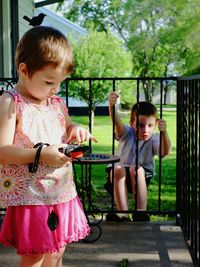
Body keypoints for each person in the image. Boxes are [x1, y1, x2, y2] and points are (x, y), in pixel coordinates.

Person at [0, 26, 97, 267]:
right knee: (35, 254)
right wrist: (41, 154)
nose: (55, 89)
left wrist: (75, 129)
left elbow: (67, 126)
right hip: (32, 196)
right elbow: (2, 151)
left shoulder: (55, 103)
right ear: (24, 70)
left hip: (61, 191)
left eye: (60, 83)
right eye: (49, 82)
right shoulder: (10, 102)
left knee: (56, 251)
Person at [105, 91, 171, 222]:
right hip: (120, 176)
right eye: (140, 125)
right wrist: (112, 107)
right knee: (117, 168)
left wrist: (164, 133)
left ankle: (140, 212)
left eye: (150, 125)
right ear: (131, 122)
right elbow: (117, 124)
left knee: (135, 168)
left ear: (155, 124)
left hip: (141, 174)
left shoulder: (154, 139)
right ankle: (123, 213)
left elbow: (164, 152)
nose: (145, 130)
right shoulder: (126, 133)